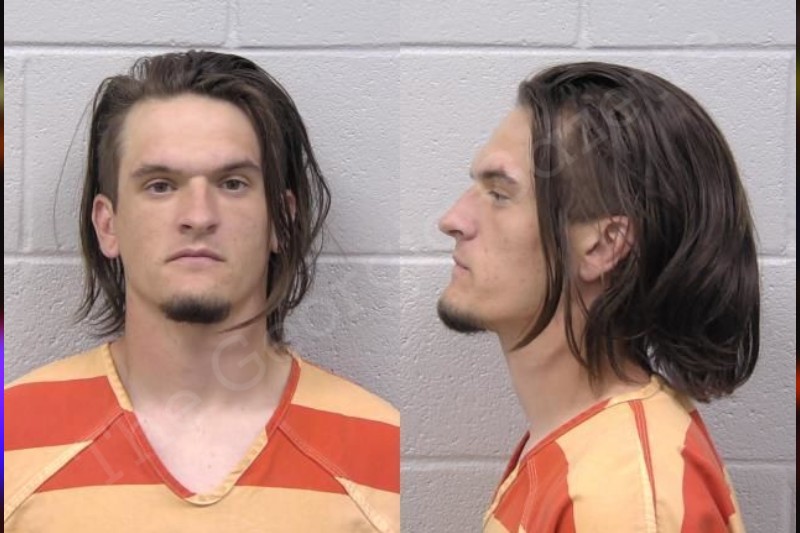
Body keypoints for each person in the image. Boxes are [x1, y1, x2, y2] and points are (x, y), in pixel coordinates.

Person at [4, 50, 399, 533]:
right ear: (108, 225)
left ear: (281, 220)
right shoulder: (12, 434)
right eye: (160, 186)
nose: (198, 216)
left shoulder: (381, 451)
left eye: (232, 184)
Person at [437, 62, 758, 532]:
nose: (452, 219)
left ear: (604, 246)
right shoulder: (585, 448)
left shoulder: (624, 500)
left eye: (500, 194)